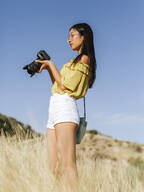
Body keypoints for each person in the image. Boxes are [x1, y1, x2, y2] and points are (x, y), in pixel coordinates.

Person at [35, 23, 96, 189]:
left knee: (68, 166)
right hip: (54, 107)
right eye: (69, 36)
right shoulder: (72, 62)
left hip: (65, 109)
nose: (69, 40)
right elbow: (57, 85)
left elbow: (65, 86)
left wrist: (51, 64)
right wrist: (47, 68)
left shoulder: (84, 59)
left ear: (84, 37)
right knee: (53, 167)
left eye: (73, 35)